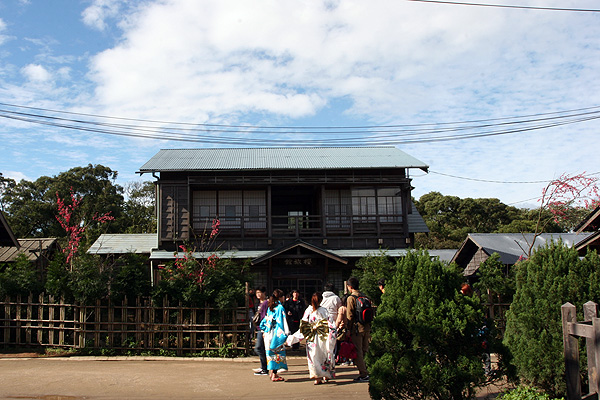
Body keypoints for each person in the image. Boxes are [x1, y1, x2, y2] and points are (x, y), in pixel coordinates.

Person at [300, 292, 335, 385]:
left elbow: (303, 324)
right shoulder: (324, 311)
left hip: (311, 337)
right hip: (322, 336)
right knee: (324, 355)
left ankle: (317, 377)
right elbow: (330, 323)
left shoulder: (308, 310)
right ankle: (326, 374)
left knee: (313, 357)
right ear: (321, 300)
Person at [260, 288, 289, 382]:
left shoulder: (270, 307)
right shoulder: (280, 308)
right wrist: (285, 333)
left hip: (268, 332)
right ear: (280, 297)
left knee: (270, 353)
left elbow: (265, 320)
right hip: (276, 333)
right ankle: (275, 374)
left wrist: (264, 330)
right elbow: (282, 322)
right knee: (276, 353)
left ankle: (271, 372)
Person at [346, 277, 371, 382]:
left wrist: (348, 328)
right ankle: (368, 369)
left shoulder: (351, 298)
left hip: (357, 329)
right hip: (366, 327)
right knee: (365, 350)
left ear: (350, 287)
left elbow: (350, 315)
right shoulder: (364, 296)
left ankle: (363, 373)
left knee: (358, 351)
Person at [320, 283, 341, 361]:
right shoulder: (336, 298)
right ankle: (331, 358)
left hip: (322, 321)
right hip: (333, 321)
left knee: (323, 341)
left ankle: (323, 358)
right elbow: (339, 309)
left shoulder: (321, 297)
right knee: (332, 341)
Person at [252, 287, 269, 376]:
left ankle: (265, 368)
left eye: (259, 292)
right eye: (257, 292)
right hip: (259, 328)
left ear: (264, 293)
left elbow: (265, 316)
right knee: (261, 348)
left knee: (259, 348)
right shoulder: (259, 303)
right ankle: (263, 367)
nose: (258, 294)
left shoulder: (266, 303)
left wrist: (264, 329)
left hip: (263, 329)